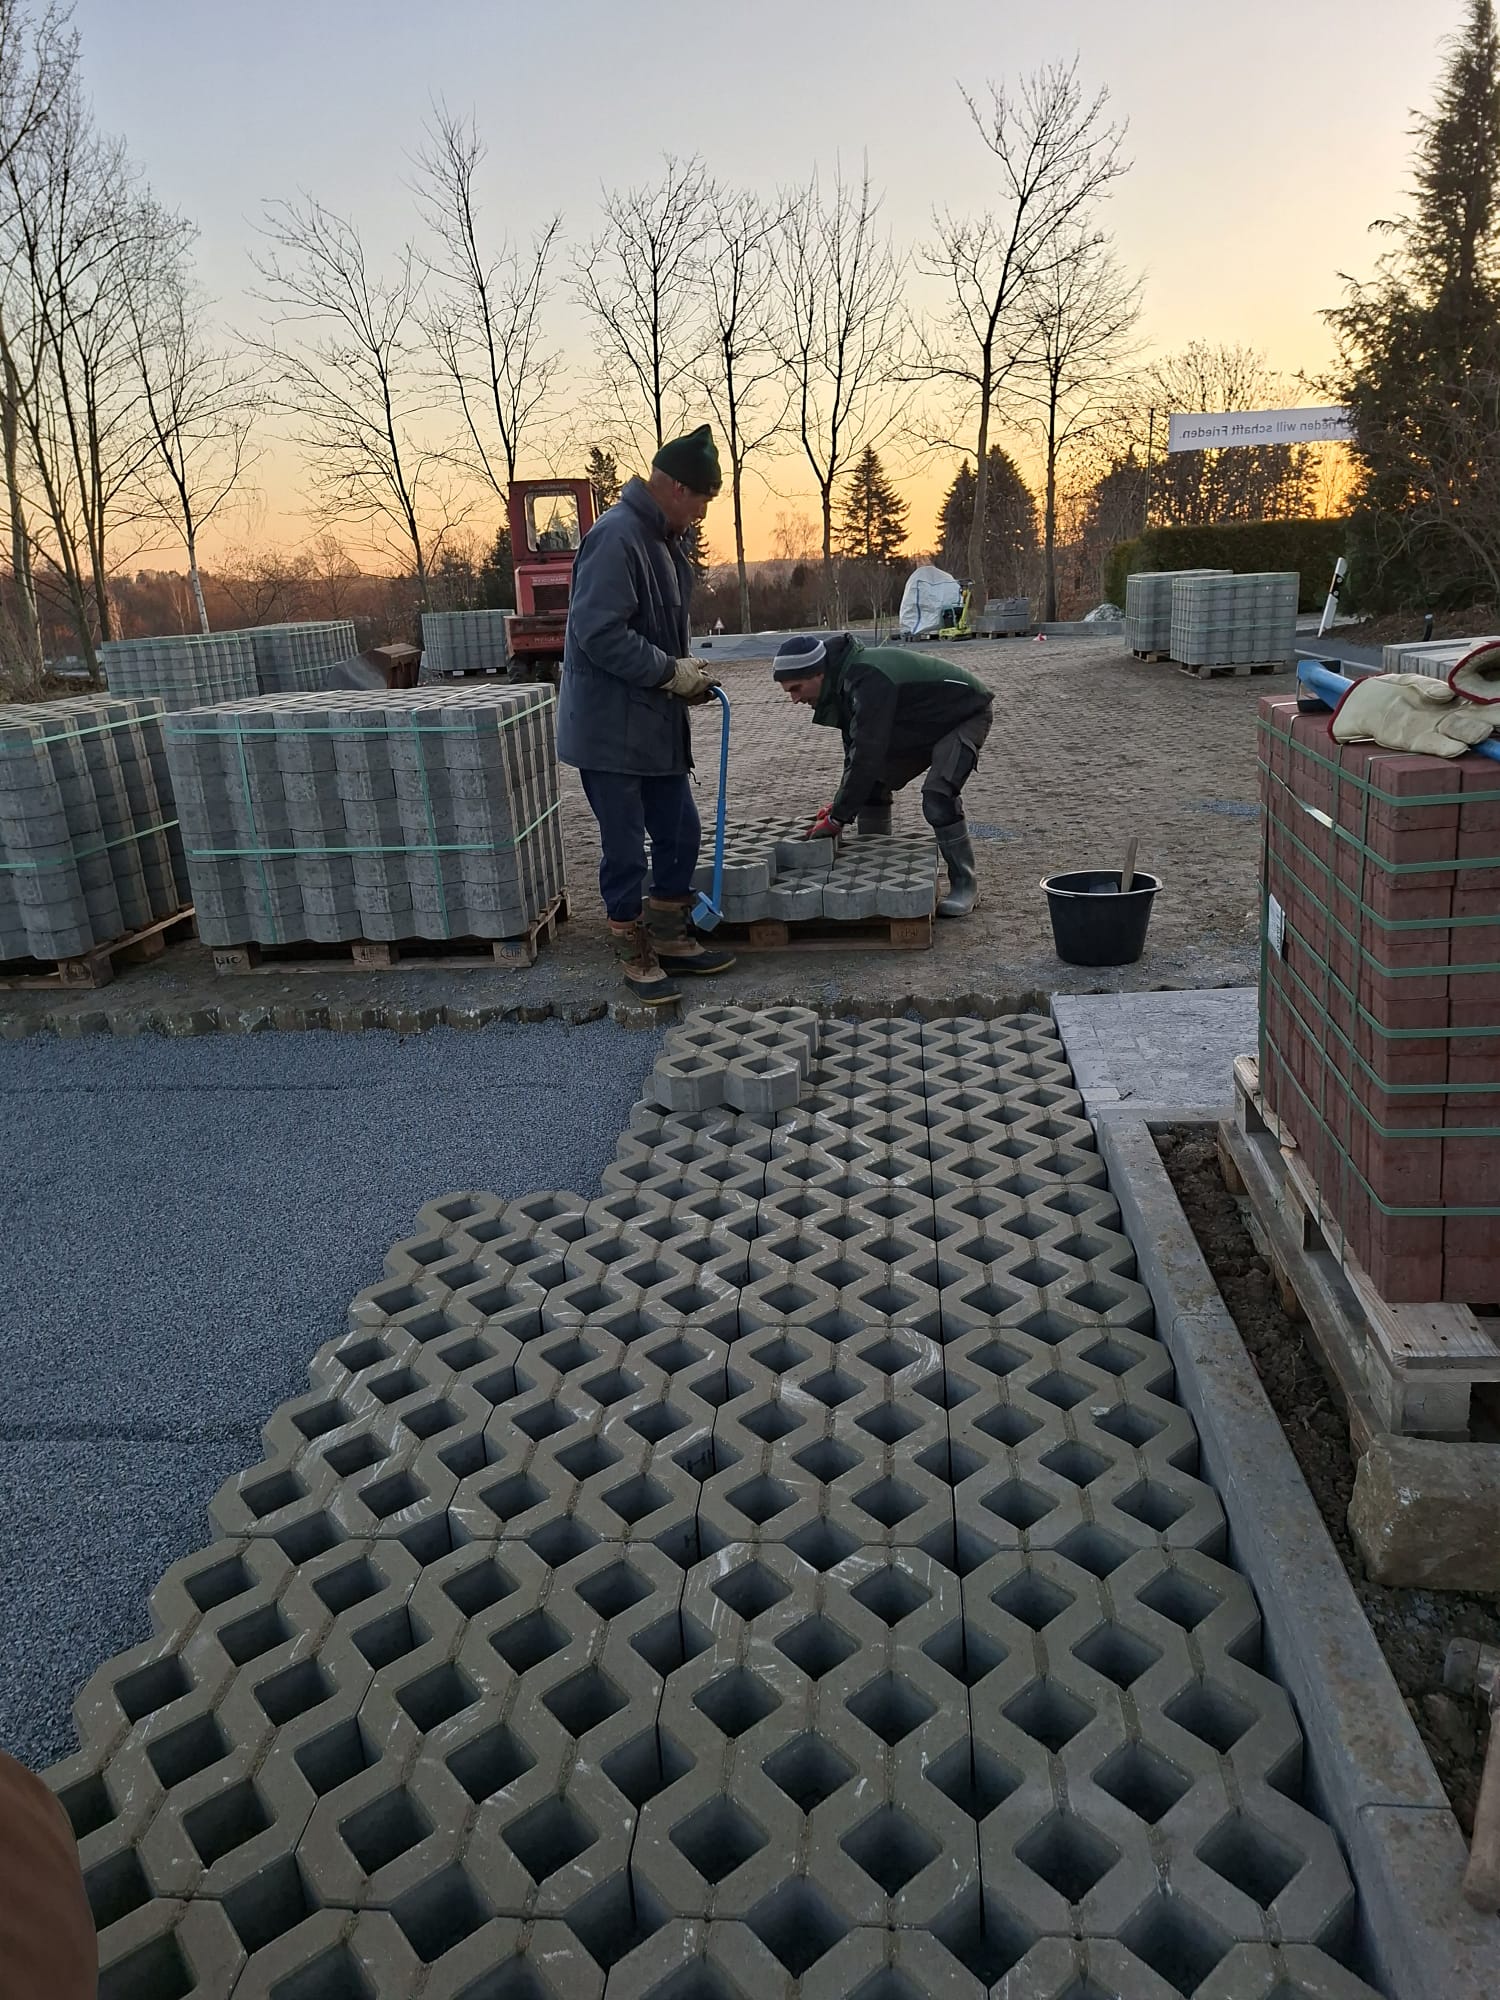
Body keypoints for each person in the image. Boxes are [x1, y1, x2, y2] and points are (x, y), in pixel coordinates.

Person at [557, 425, 736, 1003]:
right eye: (703, 500)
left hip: (652, 724)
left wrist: (682, 674)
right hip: (610, 730)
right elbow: (600, 633)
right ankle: (632, 948)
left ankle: (670, 934)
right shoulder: (617, 537)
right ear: (677, 488)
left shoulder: (659, 539)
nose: (702, 513)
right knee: (625, 845)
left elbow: (651, 629)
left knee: (681, 829)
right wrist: (667, 672)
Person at [772, 631, 994, 917]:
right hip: (922, 721)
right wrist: (840, 804)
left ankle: (965, 884)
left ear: (818, 673)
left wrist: (838, 819)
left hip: (963, 715)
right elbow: (855, 755)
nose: (794, 699)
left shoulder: (867, 679)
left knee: (938, 798)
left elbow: (868, 751)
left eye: (796, 688)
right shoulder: (841, 683)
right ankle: (875, 865)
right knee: (870, 785)